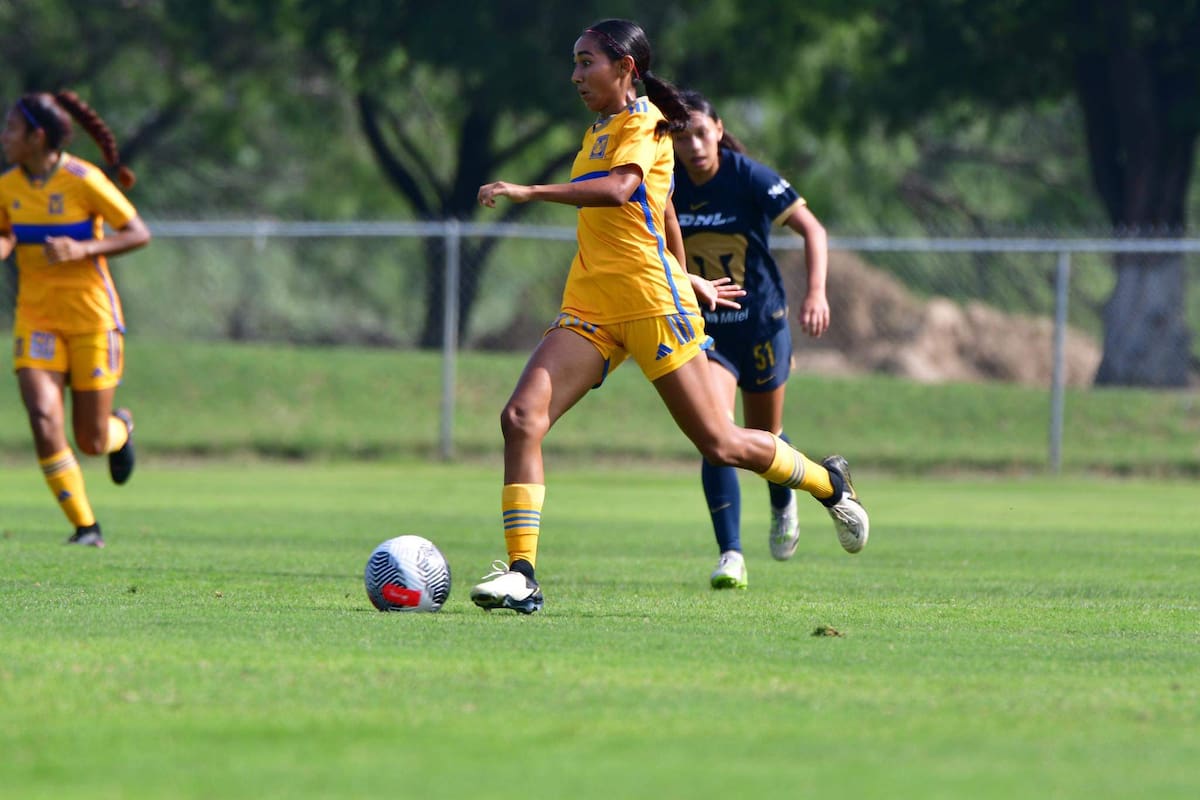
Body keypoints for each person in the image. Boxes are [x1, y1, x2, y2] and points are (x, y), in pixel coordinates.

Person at [470, 19, 868, 614]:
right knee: (521, 418)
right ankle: (523, 574)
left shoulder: (647, 121)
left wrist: (530, 192)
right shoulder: (598, 130)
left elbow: (620, 190)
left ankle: (828, 483)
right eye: (575, 62)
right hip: (592, 304)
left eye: (586, 62)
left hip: (652, 305)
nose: (575, 74)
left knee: (721, 443)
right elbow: (666, 213)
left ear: (625, 68)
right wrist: (690, 275)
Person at [671, 89, 834, 589]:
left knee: (765, 438)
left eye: (702, 133)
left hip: (761, 325)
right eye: (683, 136)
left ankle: (784, 500)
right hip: (709, 332)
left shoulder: (748, 176)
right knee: (717, 436)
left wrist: (816, 293)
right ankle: (731, 555)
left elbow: (813, 229)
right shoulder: (668, 182)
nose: (694, 145)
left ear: (719, 130)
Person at [0, 91, 151, 548]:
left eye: (11, 129)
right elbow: (5, 234)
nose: (4, 137)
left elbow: (137, 233)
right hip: (36, 319)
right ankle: (86, 528)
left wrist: (82, 248)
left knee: (91, 440)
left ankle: (121, 430)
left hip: (92, 319)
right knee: (43, 418)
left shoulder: (83, 179)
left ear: (36, 137)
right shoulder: (7, 187)